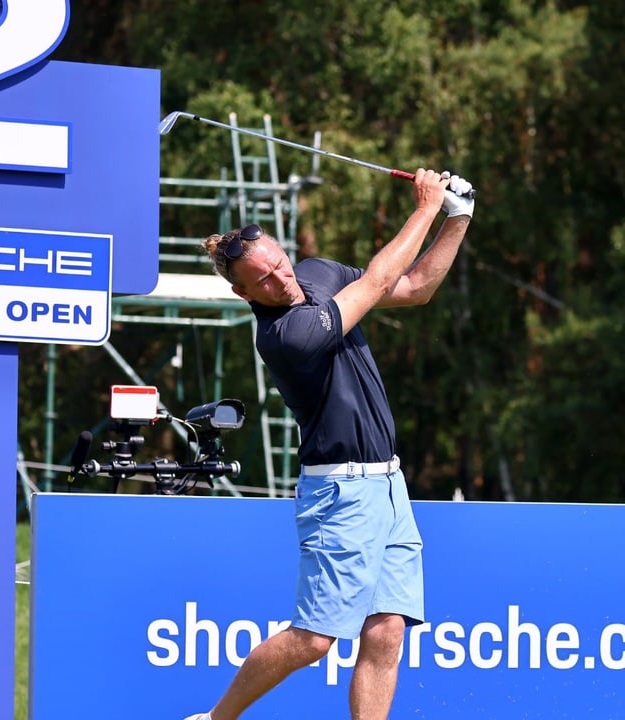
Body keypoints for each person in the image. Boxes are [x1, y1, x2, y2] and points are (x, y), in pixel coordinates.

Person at [183, 168, 475, 720]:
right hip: (339, 493)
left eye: (278, 263)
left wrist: (456, 219)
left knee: (387, 630)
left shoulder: (316, 272)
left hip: (389, 485)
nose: (280, 279)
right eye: (262, 280)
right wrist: (425, 208)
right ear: (240, 291)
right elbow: (376, 286)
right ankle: (217, 719)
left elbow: (413, 288)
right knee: (316, 638)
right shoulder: (284, 336)